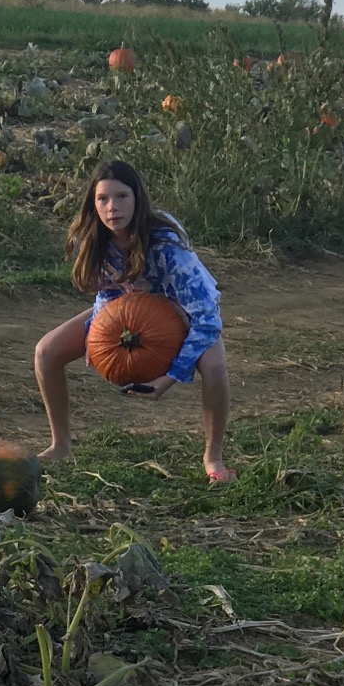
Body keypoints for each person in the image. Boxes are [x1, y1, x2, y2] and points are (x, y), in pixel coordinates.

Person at [34, 160, 232, 481]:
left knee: (215, 369)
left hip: (183, 311)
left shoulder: (165, 242)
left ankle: (213, 457)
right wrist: (98, 335)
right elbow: (107, 292)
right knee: (46, 352)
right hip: (131, 308)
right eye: (103, 199)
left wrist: (170, 376)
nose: (112, 207)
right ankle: (61, 445)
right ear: (93, 203)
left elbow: (207, 318)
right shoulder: (93, 239)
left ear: (137, 198)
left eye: (122, 196)